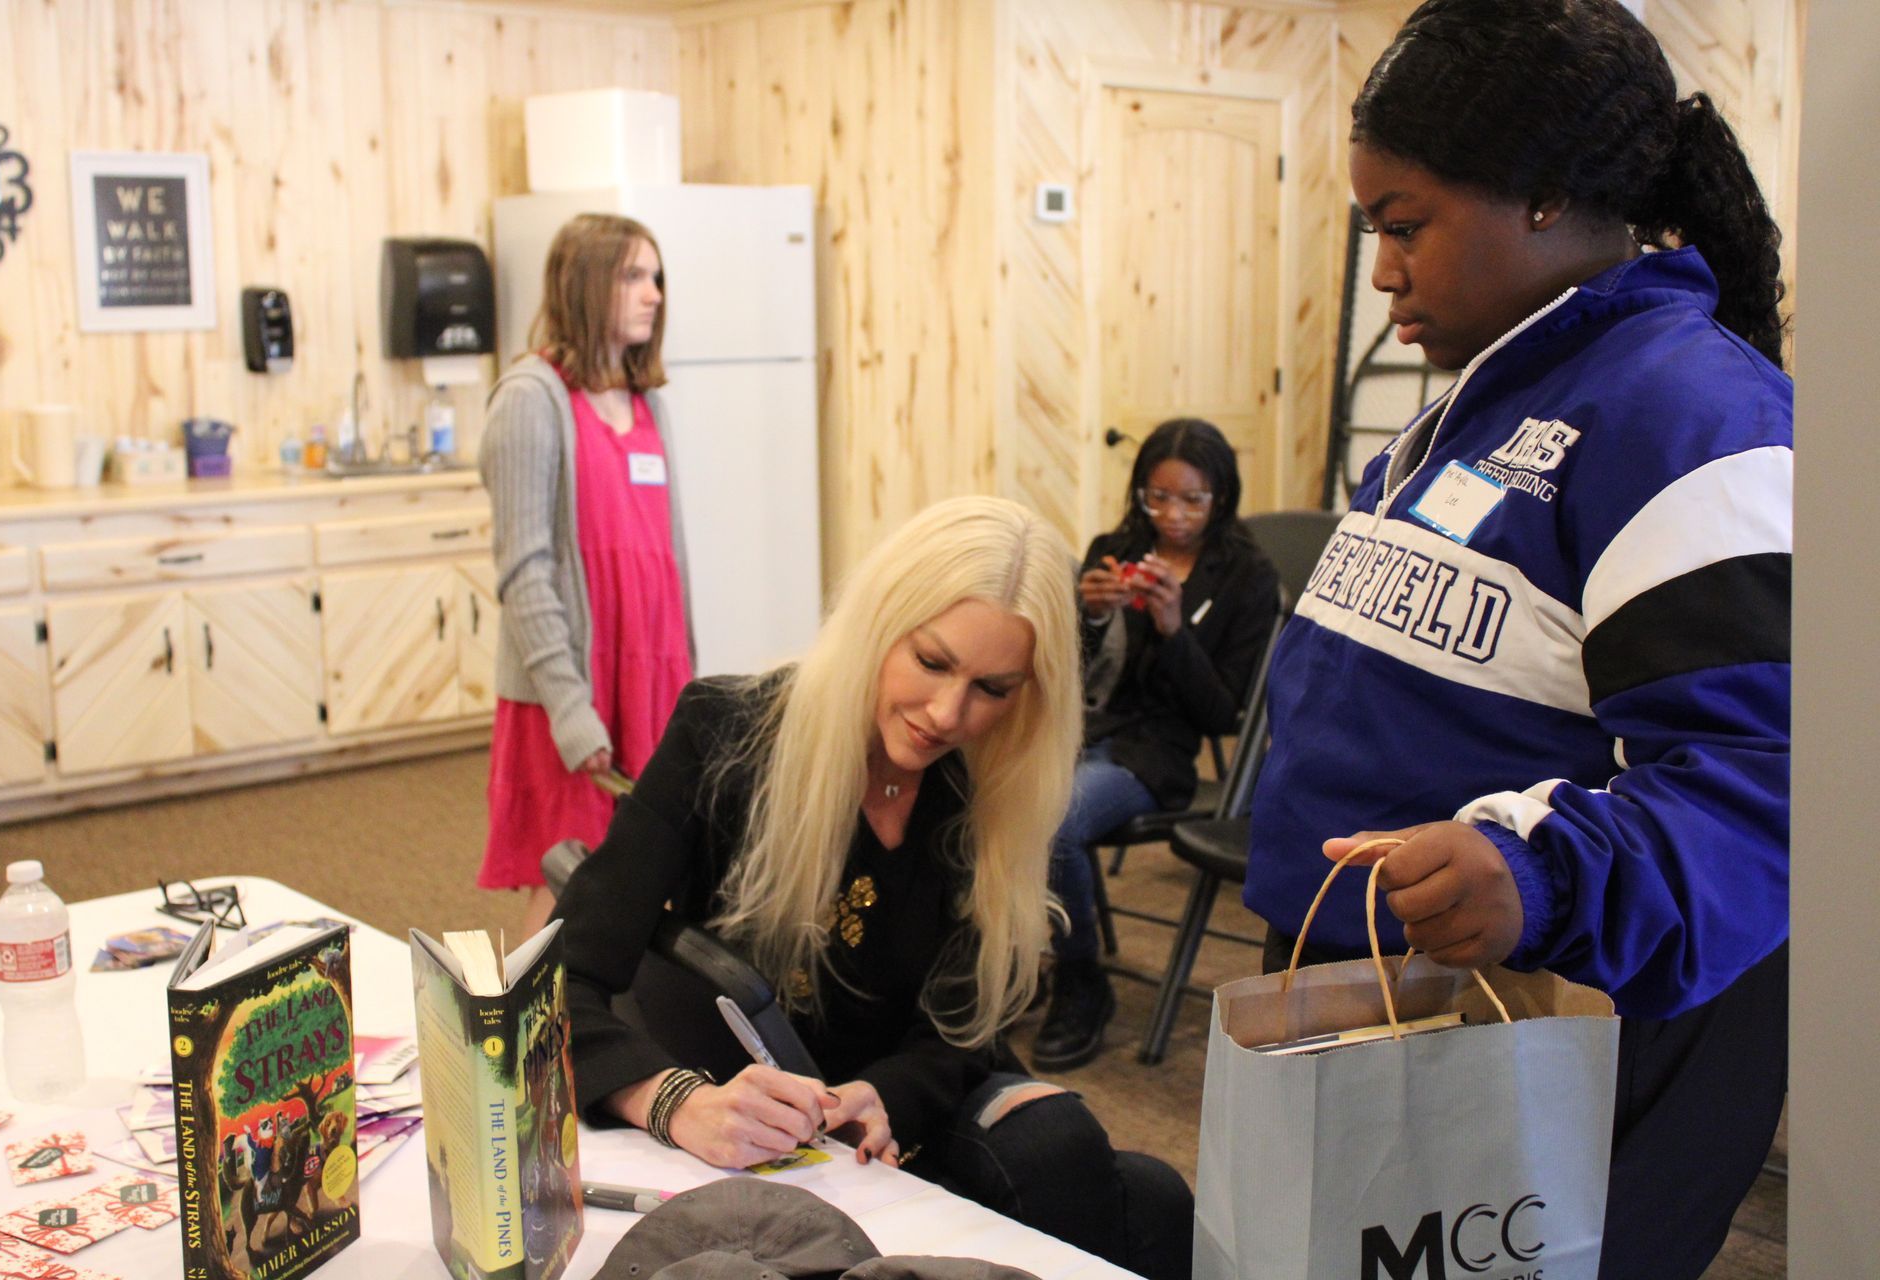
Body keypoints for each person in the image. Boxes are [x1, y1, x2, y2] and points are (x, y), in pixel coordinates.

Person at [1242, 3, 1791, 1277]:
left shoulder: (1688, 417)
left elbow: (1765, 790)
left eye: (1404, 224)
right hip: (1392, 997)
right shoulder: (1488, 394)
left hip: (1546, 1016)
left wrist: (1537, 873)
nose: (1382, 273)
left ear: (1544, 197)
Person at [554, 496, 1193, 1280]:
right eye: (930, 662)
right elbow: (560, 980)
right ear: (876, 625)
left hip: (888, 1126)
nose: (947, 713)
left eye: (993, 689)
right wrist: (672, 1100)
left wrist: (881, 1094)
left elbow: (962, 1026)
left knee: (1141, 1191)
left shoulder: (989, 786)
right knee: (1114, 1196)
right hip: (749, 1136)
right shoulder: (727, 737)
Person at [1031, 420, 1279, 1070]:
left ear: (1220, 498)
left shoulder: (1245, 575)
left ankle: (1080, 979)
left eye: (1192, 500)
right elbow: (1065, 672)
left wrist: (1174, 630)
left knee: (1051, 819)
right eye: (1157, 497)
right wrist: (1083, 615)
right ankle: (1010, 955)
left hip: (1157, 753)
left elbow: (1224, 714)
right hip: (1080, 730)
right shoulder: (1115, 546)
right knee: (978, 787)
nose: (1172, 515)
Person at [478, 213, 694, 939]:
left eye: (656, 276)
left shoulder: (646, 400)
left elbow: (667, 560)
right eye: (634, 275)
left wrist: (688, 677)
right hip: (569, 686)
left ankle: (588, 1035)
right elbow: (524, 572)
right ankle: (508, 1036)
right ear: (585, 284)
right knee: (568, 882)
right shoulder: (531, 399)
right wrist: (571, 707)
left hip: (650, 677)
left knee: (641, 871)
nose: (654, 294)